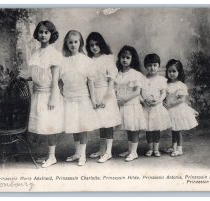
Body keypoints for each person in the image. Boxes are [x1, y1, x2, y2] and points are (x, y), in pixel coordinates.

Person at [18, 20, 64, 168]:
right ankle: (48, 154)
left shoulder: (54, 54)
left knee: (50, 126)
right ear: (37, 34)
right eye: (41, 32)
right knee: (43, 125)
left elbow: (54, 79)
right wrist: (27, 77)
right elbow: (39, 74)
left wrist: (52, 98)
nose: (43, 35)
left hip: (50, 94)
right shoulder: (36, 53)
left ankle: (52, 156)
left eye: (46, 32)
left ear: (51, 34)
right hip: (38, 94)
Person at [60, 30, 100, 166]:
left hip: (82, 97)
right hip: (69, 97)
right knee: (73, 126)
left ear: (80, 43)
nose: (73, 44)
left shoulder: (86, 61)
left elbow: (90, 82)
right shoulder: (63, 61)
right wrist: (61, 94)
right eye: (70, 42)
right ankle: (77, 152)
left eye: (76, 42)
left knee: (82, 126)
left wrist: (93, 99)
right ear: (66, 43)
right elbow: (60, 81)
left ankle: (82, 154)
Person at [85, 32, 121, 163]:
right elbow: (90, 81)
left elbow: (111, 80)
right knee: (101, 122)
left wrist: (106, 98)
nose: (94, 47)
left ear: (102, 44)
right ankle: (101, 149)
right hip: (96, 93)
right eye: (91, 45)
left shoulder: (108, 58)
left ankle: (108, 152)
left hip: (107, 92)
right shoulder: (89, 61)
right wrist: (93, 99)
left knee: (108, 123)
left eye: (97, 44)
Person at [115, 45, 146, 162]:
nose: (125, 60)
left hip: (132, 105)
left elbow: (137, 92)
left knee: (133, 129)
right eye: (123, 57)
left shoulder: (135, 74)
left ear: (132, 59)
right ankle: (130, 150)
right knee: (128, 128)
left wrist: (124, 99)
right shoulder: (118, 74)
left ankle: (134, 152)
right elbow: (116, 89)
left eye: (128, 57)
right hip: (123, 105)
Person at [165, 59, 198, 157]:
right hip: (170, 109)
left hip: (178, 109)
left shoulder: (181, 85)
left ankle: (179, 149)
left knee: (178, 130)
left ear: (179, 72)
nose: (171, 73)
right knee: (173, 130)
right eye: (169, 71)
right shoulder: (166, 84)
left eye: (174, 71)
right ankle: (173, 147)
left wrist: (171, 104)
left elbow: (182, 99)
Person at [141, 53, 171, 157]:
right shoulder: (142, 79)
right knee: (148, 129)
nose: (152, 68)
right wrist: (144, 100)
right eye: (149, 65)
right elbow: (139, 93)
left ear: (158, 66)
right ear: (145, 66)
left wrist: (159, 101)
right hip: (146, 107)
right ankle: (150, 149)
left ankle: (156, 149)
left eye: (154, 65)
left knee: (156, 128)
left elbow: (163, 93)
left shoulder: (161, 80)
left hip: (157, 107)